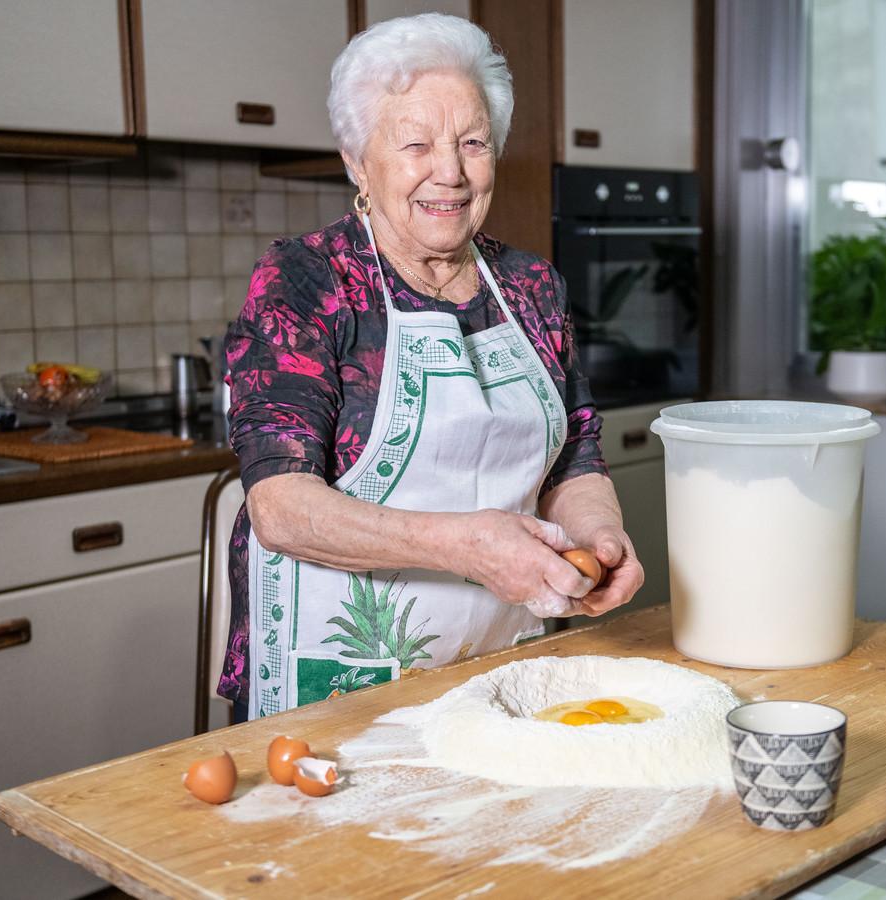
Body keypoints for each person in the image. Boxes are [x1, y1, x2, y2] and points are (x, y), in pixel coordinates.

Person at [217, 13, 643, 721]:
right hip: (337, 688)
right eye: (416, 143)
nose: (449, 171)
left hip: (500, 667)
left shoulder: (532, 287)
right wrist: (466, 546)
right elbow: (281, 509)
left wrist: (601, 537)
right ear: (358, 161)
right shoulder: (307, 280)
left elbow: (576, 459)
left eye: (472, 143)